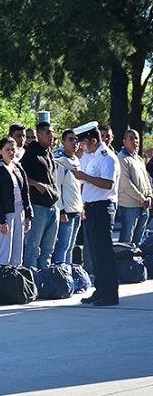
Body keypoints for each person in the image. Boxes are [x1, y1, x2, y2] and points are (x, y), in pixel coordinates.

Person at [74, 123, 120, 306]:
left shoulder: (106, 157)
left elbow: (108, 184)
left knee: (104, 252)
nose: (81, 147)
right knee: (94, 252)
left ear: (93, 140)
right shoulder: (89, 156)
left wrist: (84, 176)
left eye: (84, 143)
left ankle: (110, 294)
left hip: (103, 207)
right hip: (91, 207)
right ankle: (100, 289)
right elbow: (85, 183)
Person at [0, 137, 33, 266]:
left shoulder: (17, 167)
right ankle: (3, 276)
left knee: (18, 248)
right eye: (7, 150)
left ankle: (16, 276)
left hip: (20, 210)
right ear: (0, 150)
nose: (11, 152)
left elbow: (25, 192)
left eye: (13, 149)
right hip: (5, 212)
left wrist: (28, 215)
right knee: (5, 247)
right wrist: (1, 220)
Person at [21, 121, 59, 269]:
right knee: (33, 248)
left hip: (53, 207)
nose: (52, 136)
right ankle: (33, 284)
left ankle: (45, 281)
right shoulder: (31, 154)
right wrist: (36, 183)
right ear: (39, 135)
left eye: (52, 132)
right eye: (48, 132)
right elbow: (21, 176)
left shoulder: (49, 153)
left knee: (48, 250)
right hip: (38, 206)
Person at [117, 129, 153, 245]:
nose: (135, 141)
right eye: (131, 138)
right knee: (127, 241)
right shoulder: (122, 158)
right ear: (124, 141)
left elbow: (147, 180)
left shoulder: (139, 159)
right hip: (129, 206)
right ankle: (124, 264)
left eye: (136, 138)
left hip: (144, 206)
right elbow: (126, 184)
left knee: (138, 242)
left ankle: (135, 263)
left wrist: (150, 196)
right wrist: (142, 199)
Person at [53, 130, 83, 264]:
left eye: (76, 140)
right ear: (63, 142)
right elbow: (57, 188)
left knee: (71, 247)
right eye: (70, 140)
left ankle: (68, 274)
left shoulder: (76, 159)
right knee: (62, 247)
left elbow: (77, 187)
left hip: (76, 210)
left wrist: (81, 207)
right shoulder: (60, 161)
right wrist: (61, 210)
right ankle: (61, 276)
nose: (74, 143)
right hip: (66, 212)